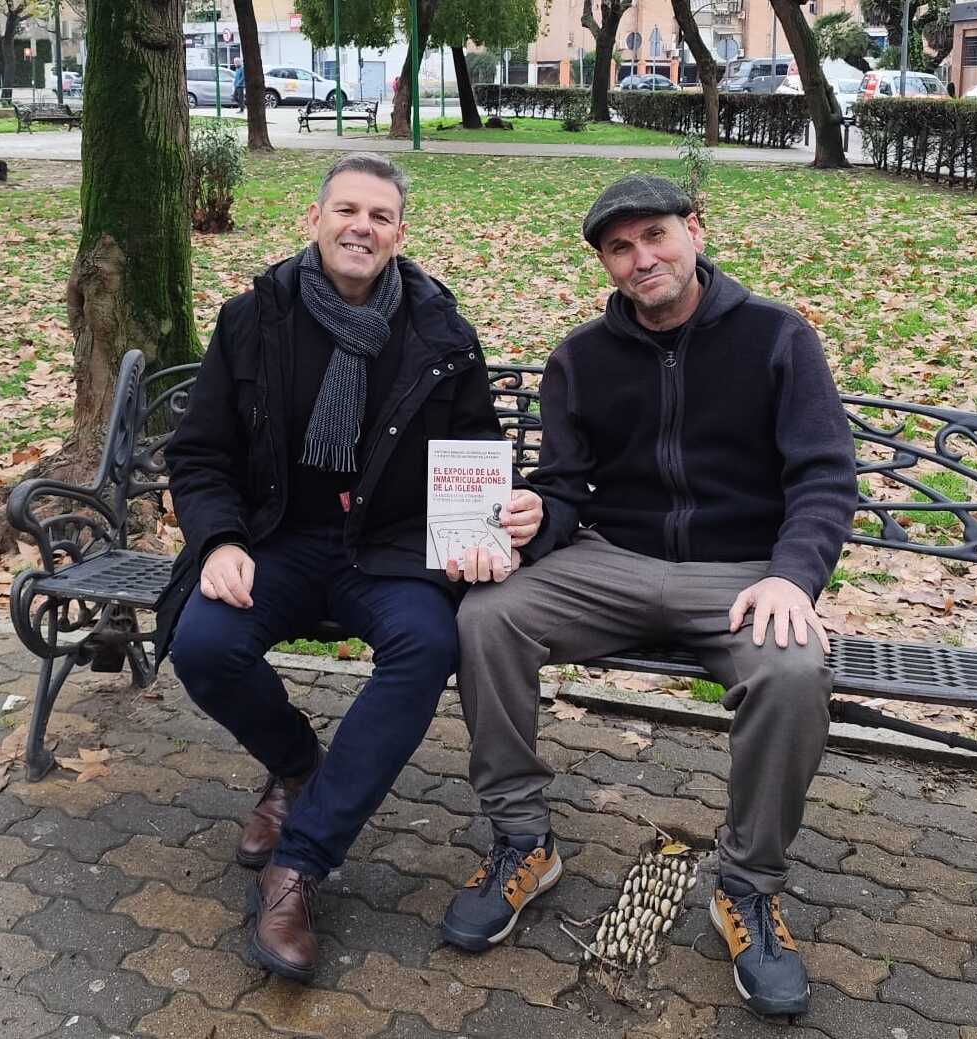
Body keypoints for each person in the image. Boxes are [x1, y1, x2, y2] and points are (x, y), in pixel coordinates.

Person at [441, 174, 856, 1020]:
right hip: (613, 562)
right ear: (605, 261)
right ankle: (524, 838)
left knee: (792, 670)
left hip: (743, 573)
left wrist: (792, 573)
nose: (642, 259)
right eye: (620, 248)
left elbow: (822, 477)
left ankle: (746, 886)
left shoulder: (777, 338)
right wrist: (533, 517)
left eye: (656, 237)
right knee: (488, 616)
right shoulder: (581, 357)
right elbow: (563, 487)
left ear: (694, 231)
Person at [157, 152, 542, 984]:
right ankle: (300, 765)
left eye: (379, 216)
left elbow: (474, 447)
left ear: (400, 234)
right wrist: (220, 540)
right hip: (277, 536)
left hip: (390, 549)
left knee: (426, 645)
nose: (361, 227)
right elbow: (199, 454)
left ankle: (297, 866)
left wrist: (480, 529)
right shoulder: (255, 318)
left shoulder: (439, 330)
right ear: (315, 219)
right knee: (203, 643)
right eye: (346, 211)